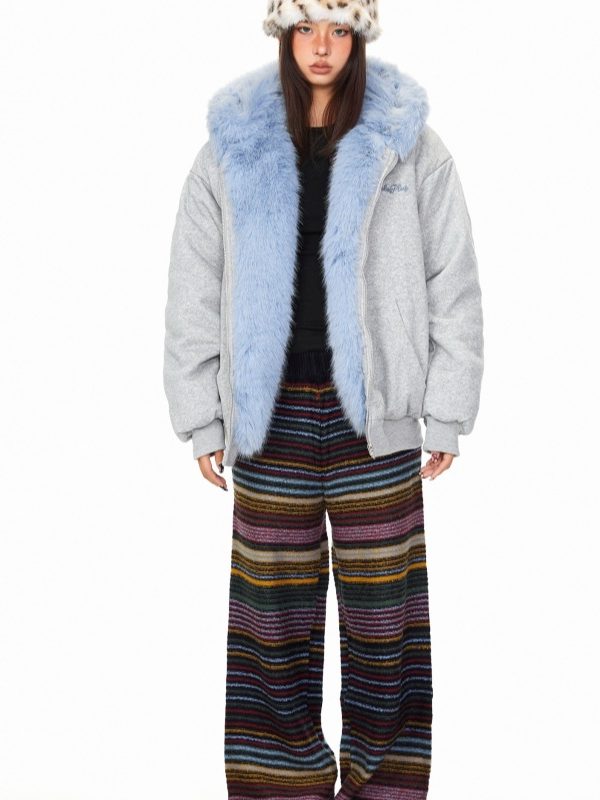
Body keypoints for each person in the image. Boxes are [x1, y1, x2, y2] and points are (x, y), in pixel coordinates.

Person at [163, 1, 484, 797]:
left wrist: (446, 408)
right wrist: (201, 412)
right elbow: (195, 283)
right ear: (283, 32)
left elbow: (453, 280)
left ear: (360, 36)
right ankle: (281, 786)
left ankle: (384, 785)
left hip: (375, 420)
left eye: (339, 28)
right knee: (271, 625)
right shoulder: (232, 147)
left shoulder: (409, 145)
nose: (321, 46)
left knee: (385, 623)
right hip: (268, 418)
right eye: (307, 26)